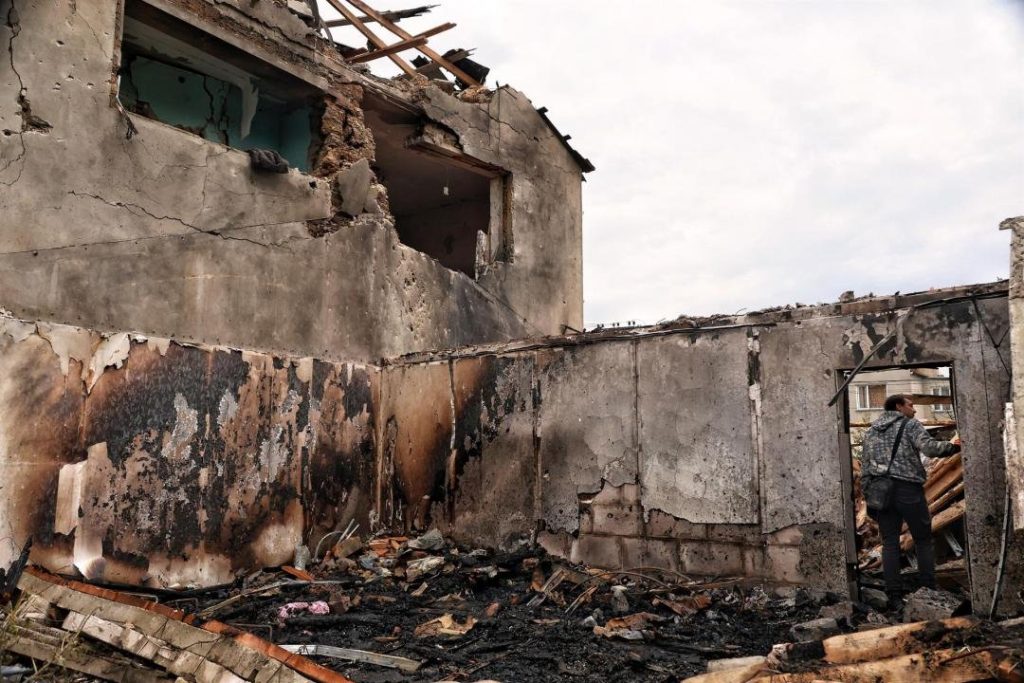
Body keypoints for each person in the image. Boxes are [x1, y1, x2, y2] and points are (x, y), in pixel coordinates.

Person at [861, 394, 961, 603]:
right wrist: (954, 446)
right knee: (922, 539)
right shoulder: (910, 425)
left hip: (882, 492)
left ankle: (893, 595)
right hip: (908, 490)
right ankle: (928, 590)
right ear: (899, 407)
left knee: (889, 543)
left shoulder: (871, 431)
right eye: (911, 405)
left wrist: (869, 495)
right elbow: (930, 449)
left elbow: (865, 466)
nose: (914, 409)